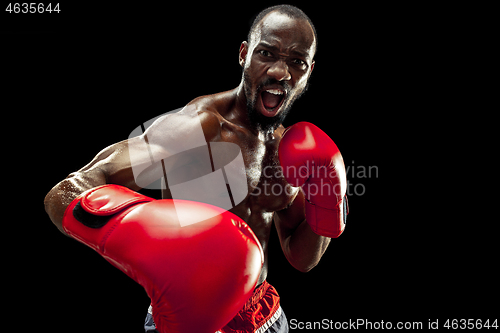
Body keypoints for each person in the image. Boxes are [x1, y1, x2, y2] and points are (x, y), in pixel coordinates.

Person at [44, 5, 348, 333]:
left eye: (296, 62)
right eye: (266, 53)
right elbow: (68, 190)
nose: (279, 72)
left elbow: (301, 258)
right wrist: (133, 228)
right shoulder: (200, 128)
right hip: (192, 319)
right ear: (244, 54)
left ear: (309, 71)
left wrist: (329, 198)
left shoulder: (291, 149)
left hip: (266, 316)